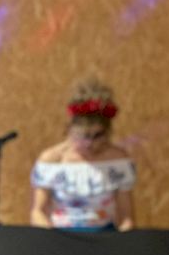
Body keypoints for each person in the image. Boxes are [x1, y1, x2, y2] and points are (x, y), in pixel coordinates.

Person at [30, 78, 136, 231]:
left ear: (107, 132)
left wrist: (124, 239)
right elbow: (38, 211)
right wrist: (50, 237)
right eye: (83, 136)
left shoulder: (118, 159)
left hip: (104, 234)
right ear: (69, 130)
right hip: (60, 234)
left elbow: (126, 217)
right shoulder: (51, 160)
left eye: (97, 136)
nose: (89, 143)